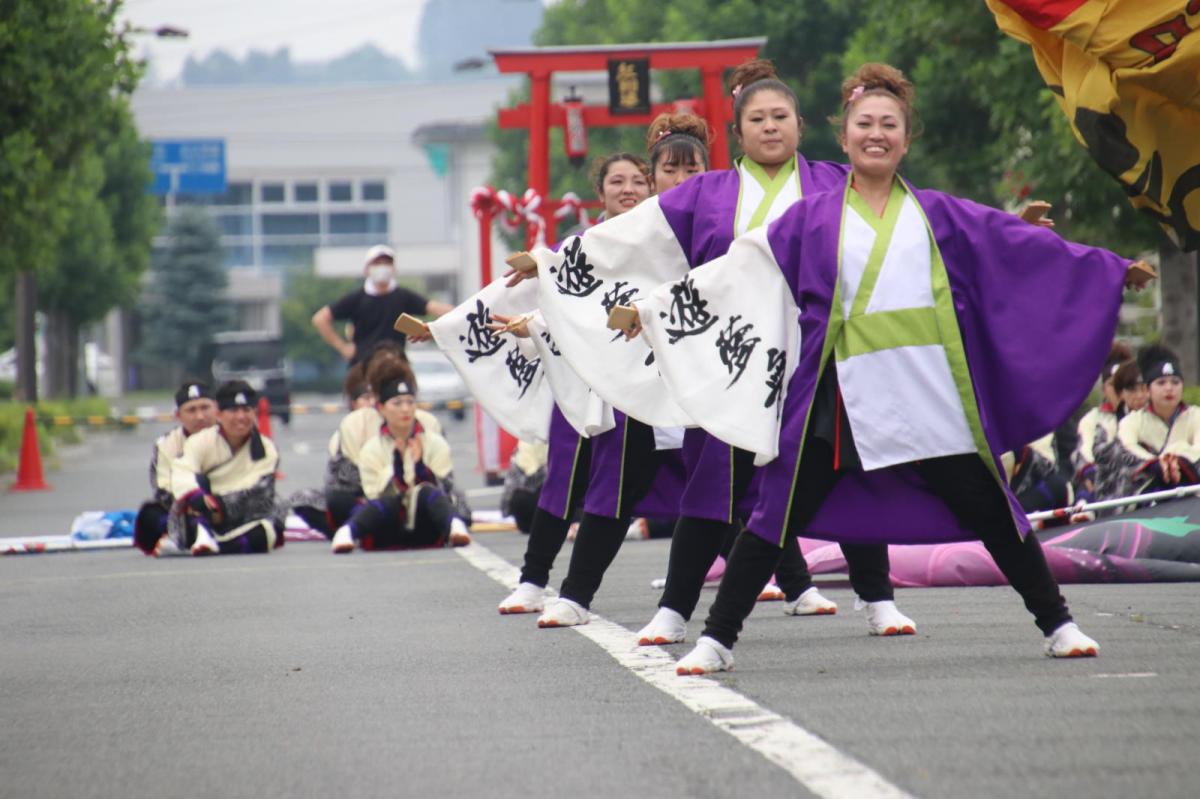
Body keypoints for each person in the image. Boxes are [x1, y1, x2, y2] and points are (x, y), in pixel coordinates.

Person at [629, 63, 1147, 673]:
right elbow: (733, 270)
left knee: (992, 509)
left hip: (927, 388)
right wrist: (653, 309)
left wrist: (1107, 270)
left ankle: (1058, 623)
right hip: (840, 396)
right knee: (775, 514)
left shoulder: (937, 214)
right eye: (865, 125)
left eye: (889, 125)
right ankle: (715, 640)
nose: (877, 134)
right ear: (843, 138)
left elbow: (1012, 246)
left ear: (906, 137)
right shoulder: (810, 217)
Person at [329, 361, 471, 552]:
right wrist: (398, 462)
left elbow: (445, 488)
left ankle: (456, 527)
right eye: (397, 403)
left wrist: (419, 466)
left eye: (410, 402)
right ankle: (347, 532)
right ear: (381, 408)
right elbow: (373, 494)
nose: (405, 409)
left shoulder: (434, 442)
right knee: (385, 502)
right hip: (388, 527)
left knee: (427, 493)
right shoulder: (371, 448)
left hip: (424, 527)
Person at [165, 380, 284, 556]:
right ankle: (202, 534)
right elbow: (182, 472)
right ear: (219, 414)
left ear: (255, 413)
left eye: (246, 410)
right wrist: (199, 497)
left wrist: (218, 505)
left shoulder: (266, 448)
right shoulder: (201, 441)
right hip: (201, 512)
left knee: (267, 530)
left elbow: (258, 492)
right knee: (194, 486)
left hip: (241, 517)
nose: (241, 417)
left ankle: (211, 543)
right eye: (234, 410)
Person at [311, 244, 454, 364]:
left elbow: (435, 308)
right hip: (364, 365)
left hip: (396, 363)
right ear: (367, 269)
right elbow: (320, 318)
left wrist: (463, 314)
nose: (382, 267)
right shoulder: (356, 299)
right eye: (377, 263)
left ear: (394, 268)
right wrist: (343, 347)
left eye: (387, 263)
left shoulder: (403, 296)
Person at [133, 381, 218, 555]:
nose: (200, 416)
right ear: (178, 415)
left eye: (205, 408)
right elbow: (162, 489)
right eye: (192, 410)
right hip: (184, 509)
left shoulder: (230, 437)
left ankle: (193, 536)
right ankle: (195, 533)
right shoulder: (166, 444)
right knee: (149, 515)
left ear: (216, 409)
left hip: (223, 506)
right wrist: (192, 501)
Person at [1113, 345, 1200, 493]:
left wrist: (1176, 459)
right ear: (1147, 390)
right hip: (1148, 497)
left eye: (1175, 382)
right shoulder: (1132, 421)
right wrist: (1157, 465)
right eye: (1161, 383)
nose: (1169, 388)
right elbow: (1126, 448)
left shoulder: (1196, 415)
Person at [1072, 342, 1135, 501]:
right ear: (1104, 389)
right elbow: (1084, 452)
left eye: (1125, 385)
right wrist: (1089, 471)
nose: (1119, 391)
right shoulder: (1091, 419)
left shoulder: (1141, 416)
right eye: (1113, 385)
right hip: (1102, 482)